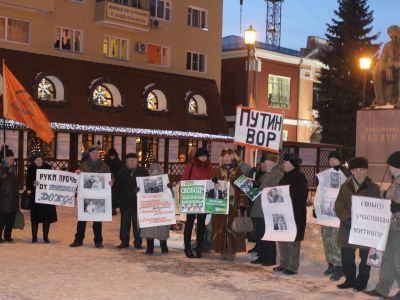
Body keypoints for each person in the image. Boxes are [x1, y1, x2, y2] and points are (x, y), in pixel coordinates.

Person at [335, 157, 380, 291]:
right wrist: (345, 219)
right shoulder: (345, 186)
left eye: (362, 170)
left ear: (366, 171)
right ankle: (350, 280)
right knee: (347, 256)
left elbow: (377, 207)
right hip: (348, 226)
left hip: (365, 228)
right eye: (356, 170)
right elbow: (338, 204)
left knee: (365, 257)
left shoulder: (373, 187)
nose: (359, 173)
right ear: (352, 171)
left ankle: (362, 282)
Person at [365, 151, 400, 299]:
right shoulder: (395, 181)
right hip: (391, 226)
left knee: (398, 260)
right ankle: (382, 288)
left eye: (390, 164)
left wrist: (397, 207)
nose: (389, 167)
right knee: (387, 258)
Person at [273, 153, 308, 275]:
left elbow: (301, 194)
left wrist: (285, 192)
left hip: (295, 214)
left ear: (292, 164)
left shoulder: (299, 177)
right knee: (282, 239)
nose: (283, 164)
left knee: (292, 241)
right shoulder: (285, 176)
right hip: (283, 213)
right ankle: (283, 263)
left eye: (285, 162)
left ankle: (293, 266)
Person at [70, 145, 110, 249]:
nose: (96, 154)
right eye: (93, 153)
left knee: (97, 220)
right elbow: (78, 179)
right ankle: (78, 240)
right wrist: (77, 174)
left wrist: (111, 182)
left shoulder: (104, 166)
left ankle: (98, 241)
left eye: (97, 153)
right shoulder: (83, 165)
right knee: (82, 219)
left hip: (98, 198)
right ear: (90, 154)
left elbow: (110, 178)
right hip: (86, 197)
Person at [319, 151, 351, 281]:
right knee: (327, 238)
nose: (332, 162)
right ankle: (331, 263)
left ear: (340, 160)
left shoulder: (346, 173)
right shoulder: (326, 174)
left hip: (339, 214)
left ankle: (340, 266)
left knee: (336, 240)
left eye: (335, 159)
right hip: (327, 213)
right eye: (330, 159)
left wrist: (343, 171)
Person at [212, 148, 247, 261]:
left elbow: (243, 188)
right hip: (220, 203)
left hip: (233, 203)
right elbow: (211, 187)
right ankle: (222, 249)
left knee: (232, 226)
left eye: (229, 156)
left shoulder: (238, 171)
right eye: (224, 156)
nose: (226, 158)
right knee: (220, 226)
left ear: (233, 157)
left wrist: (242, 202)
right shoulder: (217, 171)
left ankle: (231, 250)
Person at [250, 154, 284, 266]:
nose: (265, 164)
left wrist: (259, 185)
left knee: (267, 233)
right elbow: (261, 184)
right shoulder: (267, 173)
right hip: (260, 207)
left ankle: (270, 257)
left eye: (267, 162)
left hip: (268, 208)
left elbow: (274, 187)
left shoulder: (278, 173)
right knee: (260, 233)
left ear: (273, 162)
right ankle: (262, 255)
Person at [181, 148, 213, 258]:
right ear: (197, 156)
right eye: (201, 156)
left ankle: (199, 247)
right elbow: (184, 181)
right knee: (189, 224)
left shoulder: (209, 167)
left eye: (205, 156)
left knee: (201, 225)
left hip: (203, 199)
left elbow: (210, 180)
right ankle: (187, 248)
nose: (204, 158)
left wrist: (215, 182)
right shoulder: (190, 166)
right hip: (191, 198)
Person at [115, 153, 148, 249]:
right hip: (125, 202)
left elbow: (148, 186)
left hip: (138, 203)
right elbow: (117, 188)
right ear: (126, 162)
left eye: (134, 159)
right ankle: (124, 241)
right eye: (130, 160)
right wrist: (116, 202)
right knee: (124, 224)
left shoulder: (143, 172)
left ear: (137, 161)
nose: (132, 162)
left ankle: (138, 242)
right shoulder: (122, 172)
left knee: (137, 224)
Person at [25, 152, 57, 243]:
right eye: (37, 160)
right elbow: (28, 182)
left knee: (46, 217)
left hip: (47, 196)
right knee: (35, 217)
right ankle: (34, 237)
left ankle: (45, 236)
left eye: (40, 159)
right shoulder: (31, 169)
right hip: (36, 197)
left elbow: (53, 180)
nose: (39, 161)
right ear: (34, 161)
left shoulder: (48, 167)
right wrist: (33, 185)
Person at [141, 163, 171, 255]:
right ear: (150, 172)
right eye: (153, 171)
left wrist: (170, 189)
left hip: (161, 210)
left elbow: (171, 197)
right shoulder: (144, 182)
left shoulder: (165, 182)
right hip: (149, 210)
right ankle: (150, 247)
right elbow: (140, 197)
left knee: (162, 229)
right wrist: (138, 191)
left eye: (158, 171)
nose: (155, 173)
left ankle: (164, 246)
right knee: (149, 228)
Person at [372, 25, 400, 107]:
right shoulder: (388, 46)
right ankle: (380, 100)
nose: (392, 37)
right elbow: (380, 63)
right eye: (390, 36)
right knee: (376, 71)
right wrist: (388, 67)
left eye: (394, 35)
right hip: (394, 71)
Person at [0, 147, 19, 243]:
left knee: (11, 220)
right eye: (10, 157)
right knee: (2, 219)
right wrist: (5, 171)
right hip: (4, 199)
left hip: (13, 198)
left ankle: (8, 236)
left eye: (12, 157)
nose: (12, 159)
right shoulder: (1, 168)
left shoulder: (13, 168)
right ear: (4, 158)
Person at [104, 147, 122, 216]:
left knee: (115, 194)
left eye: (113, 156)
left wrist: (116, 177)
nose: (112, 157)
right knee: (108, 194)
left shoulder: (118, 161)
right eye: (111, 156)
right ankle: (108, 208)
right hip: (108, 180)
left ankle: (114, 208)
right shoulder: (106, 161)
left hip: (116, 180)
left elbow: (120, 170)